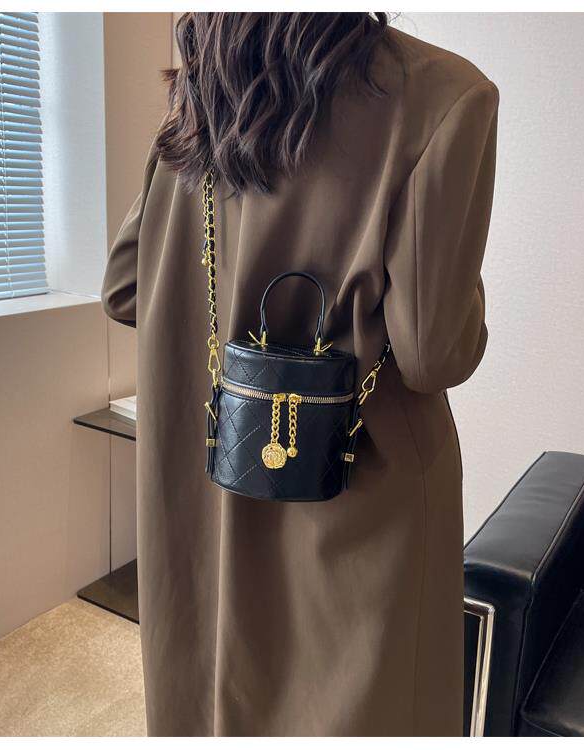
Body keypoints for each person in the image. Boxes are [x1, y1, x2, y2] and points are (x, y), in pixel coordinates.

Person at [102, 12, 498, 737]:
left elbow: (125, 287)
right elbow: (434, 352)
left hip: (203, 483)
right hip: (358, 502)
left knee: (208, 700)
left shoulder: (204, 92)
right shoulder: (446, 95)